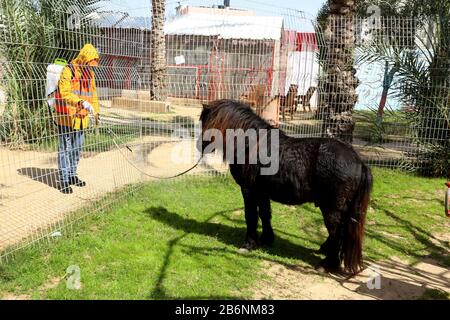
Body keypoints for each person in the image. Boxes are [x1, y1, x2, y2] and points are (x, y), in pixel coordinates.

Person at [54, 44, 100, 194]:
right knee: (65, 149)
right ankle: (64, 180)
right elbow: (65, 93)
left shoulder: (90, 74)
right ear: (83, 59)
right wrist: (81, 102)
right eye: (89, 64)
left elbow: (93, 94)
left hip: (81, 118)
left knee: (76, 149)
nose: (91, 68)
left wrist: (96, 112)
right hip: (66, 117)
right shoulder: (68, 70)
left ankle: (72, 175)